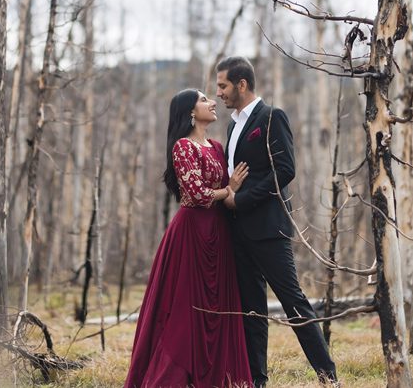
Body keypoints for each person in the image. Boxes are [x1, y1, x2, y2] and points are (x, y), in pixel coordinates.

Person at [215, 57, 338, 386]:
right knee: (251, 310)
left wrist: (241, 199)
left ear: (242, 84)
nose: (219, 93)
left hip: (269, 229)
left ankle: (328, 378)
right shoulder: (232, 126)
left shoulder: (271, 117)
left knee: (294, 303)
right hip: (238, 232)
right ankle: (257, 381)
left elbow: (285, 170)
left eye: (223, 86)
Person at [125, 89, 254, 388]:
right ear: (191, 112)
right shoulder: (183, 146)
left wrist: (229, 191)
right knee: (186, 304)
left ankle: (218, 374)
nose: (212, 102)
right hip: (191, 233)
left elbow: (217, 192)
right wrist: (229, 189)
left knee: (217, 302)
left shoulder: (217, 146)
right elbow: (197, 195)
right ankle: (180, 373)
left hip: (218, 231)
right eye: (204, 100)